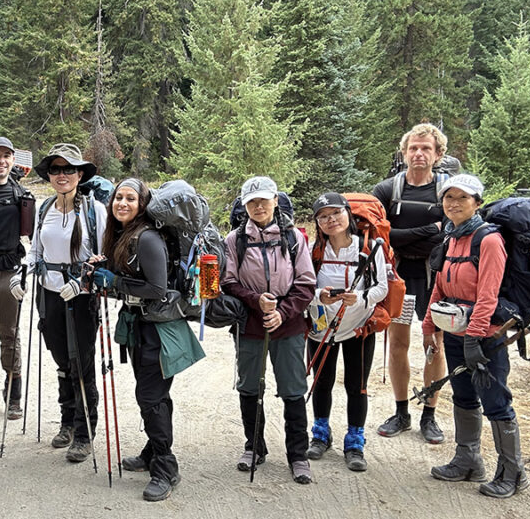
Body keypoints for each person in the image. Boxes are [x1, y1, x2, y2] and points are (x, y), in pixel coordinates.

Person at [94, 178, 204, 501]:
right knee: (153, 393)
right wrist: (105, 272)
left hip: (159, 330)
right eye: (118, 198)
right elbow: (131, 279)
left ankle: (166, 468)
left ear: (142, 205)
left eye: (130, 198)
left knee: (150, 396)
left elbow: (156, 289)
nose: (122, 203)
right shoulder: (125, 236)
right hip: (141, 326)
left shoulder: (147, 238)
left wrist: (116, 281)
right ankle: (151, 451)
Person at [422, 174, 529, 498]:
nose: (454, 204)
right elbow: (439, 286)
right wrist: (429, 326)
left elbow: (488, 295)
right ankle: (468, 460)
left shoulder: (489, 240)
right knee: (464, 395)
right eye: (448, 198)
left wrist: (474, 337)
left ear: (477, 203)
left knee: (496, 400)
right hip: (455, 329)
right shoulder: (451, 237)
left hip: (485, 334)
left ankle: (513, 473)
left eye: (462, 198)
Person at [221, 176, 316, 484]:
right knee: (249, 387)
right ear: (244, 205)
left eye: (264, 199)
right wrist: (256, 301)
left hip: (288, 326)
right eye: (252, 201)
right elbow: (229, 283)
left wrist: (282, 313)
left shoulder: (294, 237)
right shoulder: (234, 240)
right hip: (249, 324)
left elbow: (305, 283)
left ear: (276, 200)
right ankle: (254, 446)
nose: (258, 206)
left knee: (293, 389)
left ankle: (298, 454)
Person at [22, 144, 107, 464]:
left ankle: (85, 433)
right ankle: (68, 421)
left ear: (80, 174)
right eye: (56, 170)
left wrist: (82, 282)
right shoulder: (44, 209)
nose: (62, 175)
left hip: (81, 297)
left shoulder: (94, 210)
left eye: (68, 169)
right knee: (62, 361)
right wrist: (23, 274)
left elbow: (102, 256)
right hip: (49, 294)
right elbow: (36, 250)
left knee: (81, 363)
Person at [372, 123, 449, 443]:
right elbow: (380, 235)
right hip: (400, 276)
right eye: (413, 148)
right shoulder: (387, 190)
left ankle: (429, 415)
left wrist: (404, 236)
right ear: (404, 153)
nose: (419, 153)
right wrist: (428, 230)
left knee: (434, 345)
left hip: (439, 279)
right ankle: (401, 411)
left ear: (438, 154)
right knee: (398, 344)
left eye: (426, 148)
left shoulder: (449, 190)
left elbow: (453, 233)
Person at [305, 193, 388, 472]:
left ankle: (354, 441)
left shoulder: (370, 248)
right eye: (323, 216)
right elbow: (302, 286)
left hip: (359, 327)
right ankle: (320, 434)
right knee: (321, 382)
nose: (331, 220)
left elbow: (382, 288)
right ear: (317, 221)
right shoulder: (313, 250)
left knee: (357, 385)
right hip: (321, 328)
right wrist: (319, 295)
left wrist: (361, 297)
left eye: (336, 213)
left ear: (348, 214)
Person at [0, 137, 32, 421]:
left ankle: (13, 394)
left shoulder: (21, 194)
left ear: (13, 160)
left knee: (10, 334)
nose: (1, 161)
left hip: (10, 268)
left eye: (7, 156)